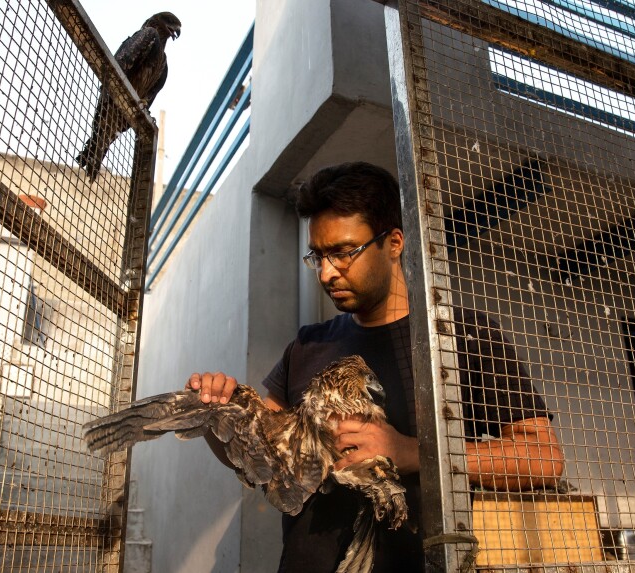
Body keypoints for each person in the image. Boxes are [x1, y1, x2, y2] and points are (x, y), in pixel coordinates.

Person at [187, 161, 565, 572]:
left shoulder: (460, 335)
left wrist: (412, 452)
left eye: (344, 252)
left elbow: (545, 457)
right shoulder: (308, 344)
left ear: (395, 243)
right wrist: (216, 415)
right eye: (318, 256)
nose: (328, 273)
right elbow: (261, 456)